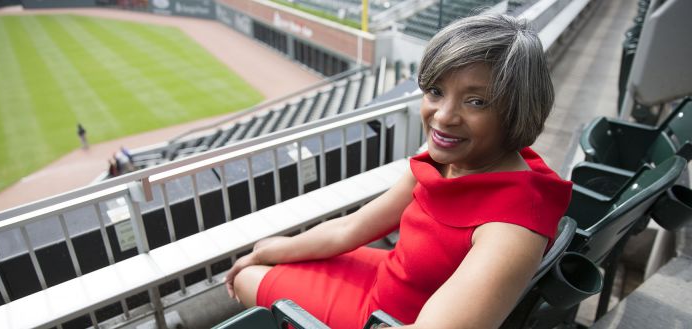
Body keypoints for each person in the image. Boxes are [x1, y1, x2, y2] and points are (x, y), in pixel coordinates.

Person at [225, 13, 573, 329]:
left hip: (385, 317)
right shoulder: (454, 159)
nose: (443, 116)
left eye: (476, 101)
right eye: (435, 92)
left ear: (516, 110)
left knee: (247, 279)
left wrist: (260, 262)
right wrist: (267, 249)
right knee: (266, 256)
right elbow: (350, 228)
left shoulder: (512, 229)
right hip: (390, 277)